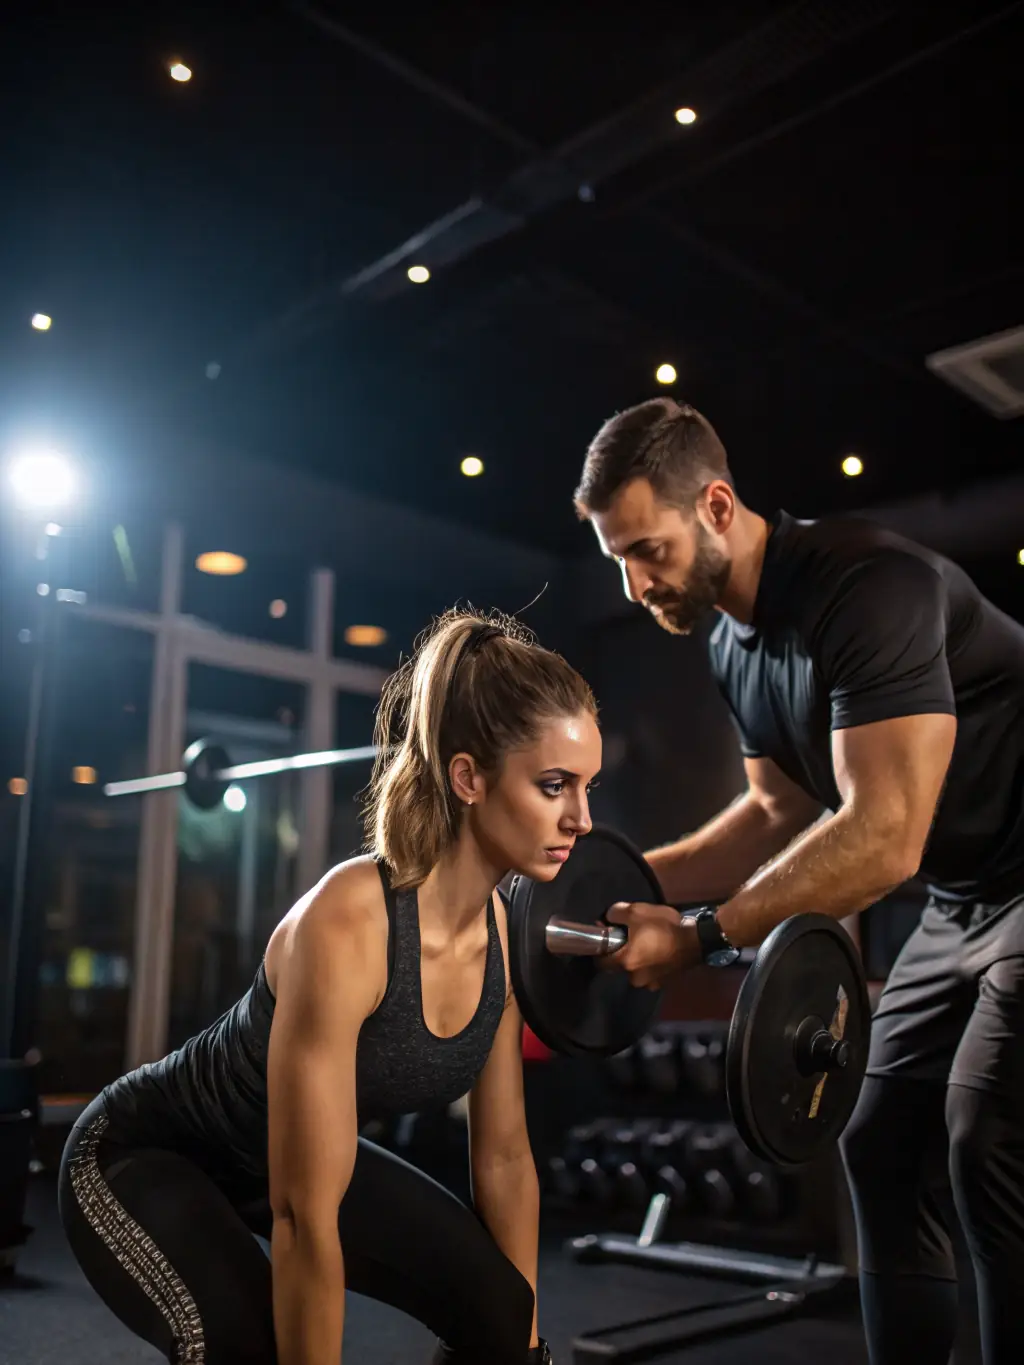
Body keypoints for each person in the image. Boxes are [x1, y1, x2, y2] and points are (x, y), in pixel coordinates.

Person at [574, 396, 1024, 1365]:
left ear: (719, 509)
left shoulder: (867, 591)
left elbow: (883, 838)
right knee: (876, 1140)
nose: (632, 581)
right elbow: (774, 812)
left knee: (983, 1134)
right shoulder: (733, 644)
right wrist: (622, 881)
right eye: (618, 558)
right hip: (962, 902)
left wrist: (697, 935)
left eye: (646, 549)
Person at [58, 608, 602, 1365]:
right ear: (468, 776)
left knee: (503, 1310)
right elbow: (302, 1215)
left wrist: (522, 1349)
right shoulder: (350, 921)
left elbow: (506, 1160)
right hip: (142, 1155)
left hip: (278, 1162)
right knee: (249, 1344)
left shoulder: (502, 935)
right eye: (554, 785)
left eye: (586, 786)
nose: (580, 817)